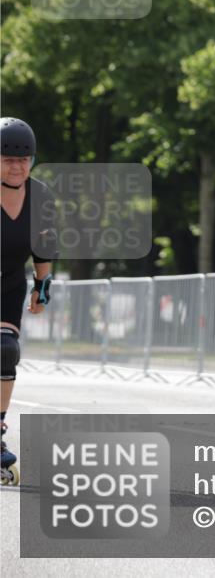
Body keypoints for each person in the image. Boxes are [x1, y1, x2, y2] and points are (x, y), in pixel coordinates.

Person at [1, 117, 57, 486]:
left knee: (5, 351)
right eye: (7, 158)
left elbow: (44, 248)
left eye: (23, 159)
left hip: (7, 285)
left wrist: (42, 287)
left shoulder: (41, 197)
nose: (17, 165)